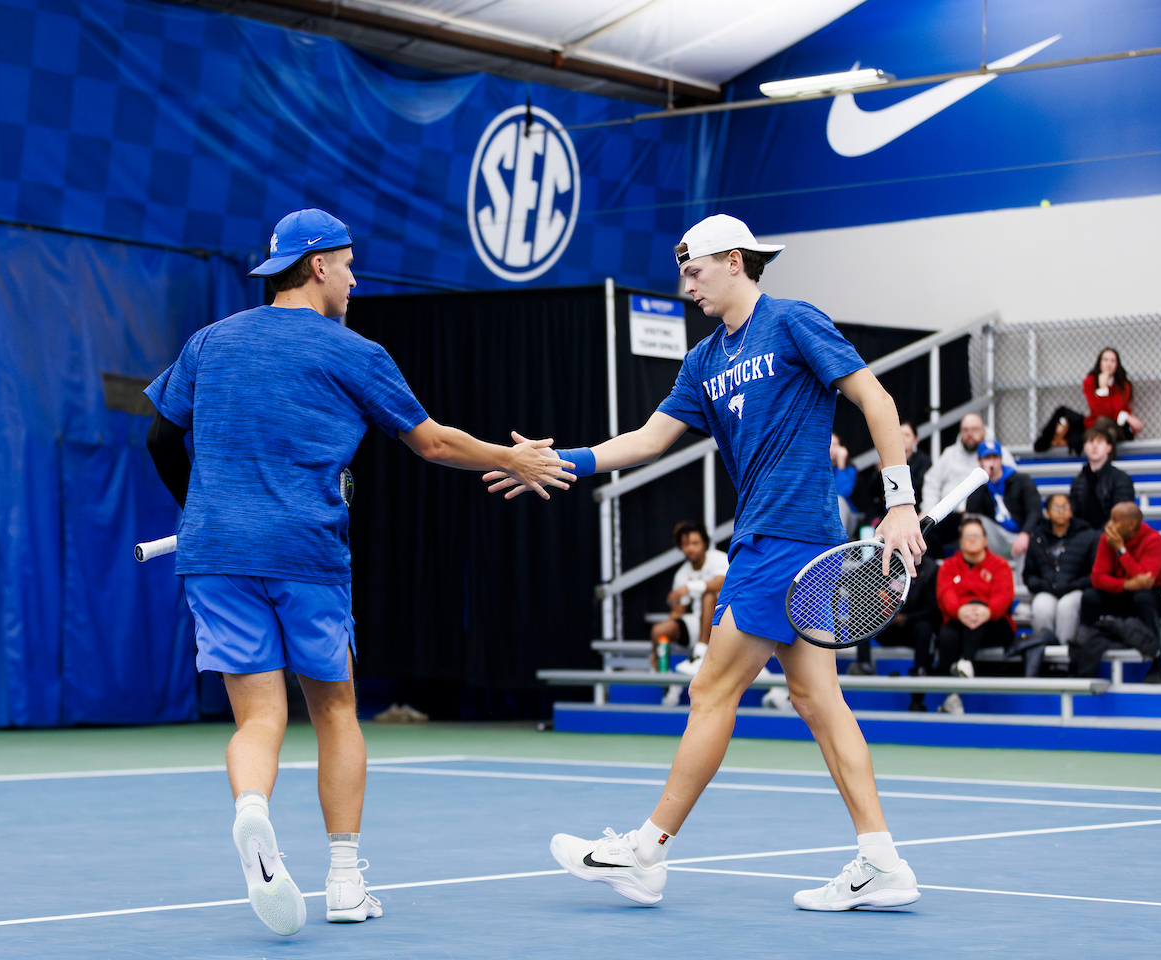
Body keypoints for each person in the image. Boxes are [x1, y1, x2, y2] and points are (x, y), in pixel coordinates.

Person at [144, 208, 570, 937]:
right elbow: (432, 444)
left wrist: (202, 510)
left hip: (214, 551)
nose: (353, 278)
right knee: (334, 710)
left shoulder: (209, 342)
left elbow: (160, 435)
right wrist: (514, 458)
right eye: (347, 264)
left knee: (258, 717)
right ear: (317, 266)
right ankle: (344, 883)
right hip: (305, 554)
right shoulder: (353, 351)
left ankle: (252, 812)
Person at [488, 213, 926, 911]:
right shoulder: (704, 362)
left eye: (694, 270)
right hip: (772, 540)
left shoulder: (792, 321)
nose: (687, 284)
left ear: (733, 260)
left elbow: (875, 397)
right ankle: (882, 860)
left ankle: (647, 852)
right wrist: (561, 461)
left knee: (710, 691)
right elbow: (647, 440)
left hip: (785, 538)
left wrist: (899, 502)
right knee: (818, 699)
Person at [934, 517, 1016, 713]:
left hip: (995, 623)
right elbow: (945, 593)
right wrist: (959, 611)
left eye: (977, 536)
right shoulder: (948, 566)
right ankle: (952, 694)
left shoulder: (1000, 565)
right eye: (968, 536)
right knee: (947, 635)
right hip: (958, 621)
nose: (972, 540)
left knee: (977, 606)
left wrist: (987, 611)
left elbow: (1005, 595)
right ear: (960, 541)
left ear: (986, 540)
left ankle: (966, 663)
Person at [1076, 503, 1161, 682]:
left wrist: (1121, 550)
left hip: (1152, 596)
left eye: (1115, 520)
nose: (1109, 524)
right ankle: (1082, 657)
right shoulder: (1106, 539)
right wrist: (1126, 585)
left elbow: (1145, 580)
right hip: (1124, 591)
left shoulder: (1155, 541)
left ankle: (1156, 662)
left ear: (1131, 525)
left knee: (1143, 597)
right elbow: (1097, 578)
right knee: (1090, 597)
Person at [848, 553, 939, 712]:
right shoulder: (877, 564)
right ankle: (864, 663)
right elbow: (853, 585)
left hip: (914, 627)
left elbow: (932, 610)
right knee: (861, 614)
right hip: (885, 627)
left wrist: (905, 617)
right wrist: (879, 604)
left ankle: (918, 694)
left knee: (925, 629)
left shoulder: (930, 568)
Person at [652, 522, 728, 706]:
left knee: (709, 596)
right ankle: (668, 682)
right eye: (686, 544)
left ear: (705, 544)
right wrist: (657, 647)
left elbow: (721, 583)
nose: (690, 548)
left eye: (695, 543)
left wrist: (689, 588)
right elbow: (678, 613)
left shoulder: (719, 559)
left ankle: (700, 653)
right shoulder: (681, 574)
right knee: (659, 630)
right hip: (700, 625)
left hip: (725, 625)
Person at [919, 412, 1013, 552]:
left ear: (984, 431)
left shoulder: (999, 453)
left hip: (986, 515)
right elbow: (932, 482)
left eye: (974, 429)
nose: (969, 434)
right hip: (952, 514)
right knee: (925, 531)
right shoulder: (949, 454)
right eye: (965, 430)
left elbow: (1012, 482)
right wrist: (928, 510)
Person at [1023, 494, 1099, 646]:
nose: (1061, 511)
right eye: (1056, 507)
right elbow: (1029, 574)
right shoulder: (1037, 537)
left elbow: (1095, 574)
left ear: (1071, 511)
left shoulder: (1089, 536)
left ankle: (1063, 658)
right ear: (1047, 512)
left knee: (1067, 606)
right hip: (1047, 590)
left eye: (1065, 507)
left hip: (1076, 590)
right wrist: (1045, 585)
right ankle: (1044, 654)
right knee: (1040, 606)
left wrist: (1072, 585)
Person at [964, 439, 1041, 572]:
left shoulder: (1021, 480)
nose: (991, 462)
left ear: (1001, 459)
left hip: (1021, 534)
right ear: (980, 461)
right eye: (987, 458)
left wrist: (1025, 533)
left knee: (1028, 547)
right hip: (998, 537)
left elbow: (1034, 511)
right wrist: (983, 479)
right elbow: (971, 510)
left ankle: (1021, 588)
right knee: (973, 524)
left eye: (995, 458)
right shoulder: (980, 485)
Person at [1069, 426, 1135, 531]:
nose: (1094, 446)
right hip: (1084, 538)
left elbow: (1122, 515)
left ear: (1109, 448)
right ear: (1084, 447)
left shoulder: (1121, 479)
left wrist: (1098, 537)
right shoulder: (1078, 481)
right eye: (1090, 441)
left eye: (1099, 442)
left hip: (1112, 536)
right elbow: (1073, 514)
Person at [1083, 347, 1142, 442]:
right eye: (1105, 360)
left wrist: (1104, 389)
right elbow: (1099, 412)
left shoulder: (1123, 386)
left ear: (1117, 364)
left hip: (1118, 426)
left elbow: (1112, 412)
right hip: (1097, 426)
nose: (1108, 364)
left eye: (1112, 361)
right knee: (1106, 432)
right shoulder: (1090, 382)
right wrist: (1102, 388)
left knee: (1104, 430)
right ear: (1100, 363)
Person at [830, 431, 860, 538]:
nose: (831, 448)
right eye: (829, 444)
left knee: (839, 501)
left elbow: (842, 492)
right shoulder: (820, 472)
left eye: (835, 445)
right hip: (825, 517)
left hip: (848, 518)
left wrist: (841, 465)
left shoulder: (849, 469)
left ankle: (837, 543)